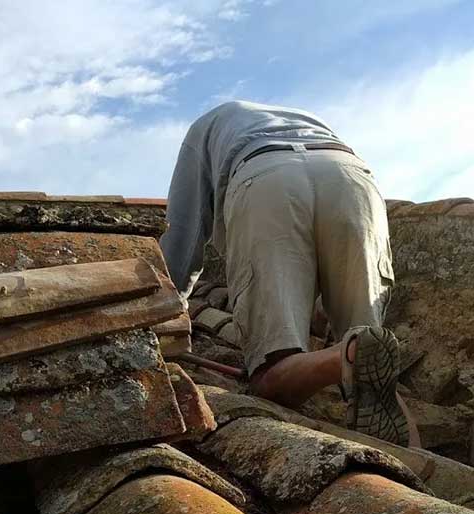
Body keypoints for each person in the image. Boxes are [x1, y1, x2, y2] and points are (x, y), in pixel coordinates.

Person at [160, 100, 416, 446]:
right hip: (351, 178)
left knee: (271, 375)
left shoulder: (206, 126)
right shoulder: (309, 118)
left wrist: (164, 312)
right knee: (372, 363)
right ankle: (417, 464)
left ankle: (345, 356)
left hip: (266, 176)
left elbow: (183, 232)